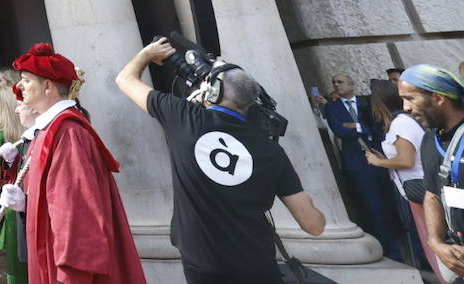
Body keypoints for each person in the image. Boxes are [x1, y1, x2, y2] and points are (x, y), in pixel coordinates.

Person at [116, 40, 324, 284]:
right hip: (258, 265)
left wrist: (147, 54)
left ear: (212, 91)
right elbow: (314, 226)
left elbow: (125, 80)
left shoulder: (183, 118)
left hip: (203, 264)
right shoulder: (271, 151)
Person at [1, 42, 145, 284]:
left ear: (47, 86)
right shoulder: (50, 129)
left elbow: (76, 211)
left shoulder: (67, 132)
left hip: (67, 266)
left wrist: (70, 274)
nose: (19, 86)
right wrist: (27, 204)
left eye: (26, 80)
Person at [365, 78, 443, 282]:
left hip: (418, 189)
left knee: (433, 242)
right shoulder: (404, 122)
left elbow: (406, 160)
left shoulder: (400, 123)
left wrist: (377, 162)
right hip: (418, 187)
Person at [399, 64, 464, 280]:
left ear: (438, 99)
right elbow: (432, 194)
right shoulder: (430, 138)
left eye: (410, 98)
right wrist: (435, 242)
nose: (405, 108)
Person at [323, 72, 401, 259]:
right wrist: (359, 128)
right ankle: (386, 250)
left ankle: (397, 247)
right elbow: (340, 131)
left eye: (340, 82)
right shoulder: (331, 108)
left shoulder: (366, 104)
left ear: (352, 85)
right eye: (334, 82)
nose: (336, 85)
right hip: (356, 165)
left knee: (389, 205)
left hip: (379, 160)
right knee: (371, 208)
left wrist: (355, 126)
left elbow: (376, 127)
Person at [0, 86, 30, 284]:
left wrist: (11, 186)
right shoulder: (31, 129)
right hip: (32, 198)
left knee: (18, 263)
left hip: (16, 203)